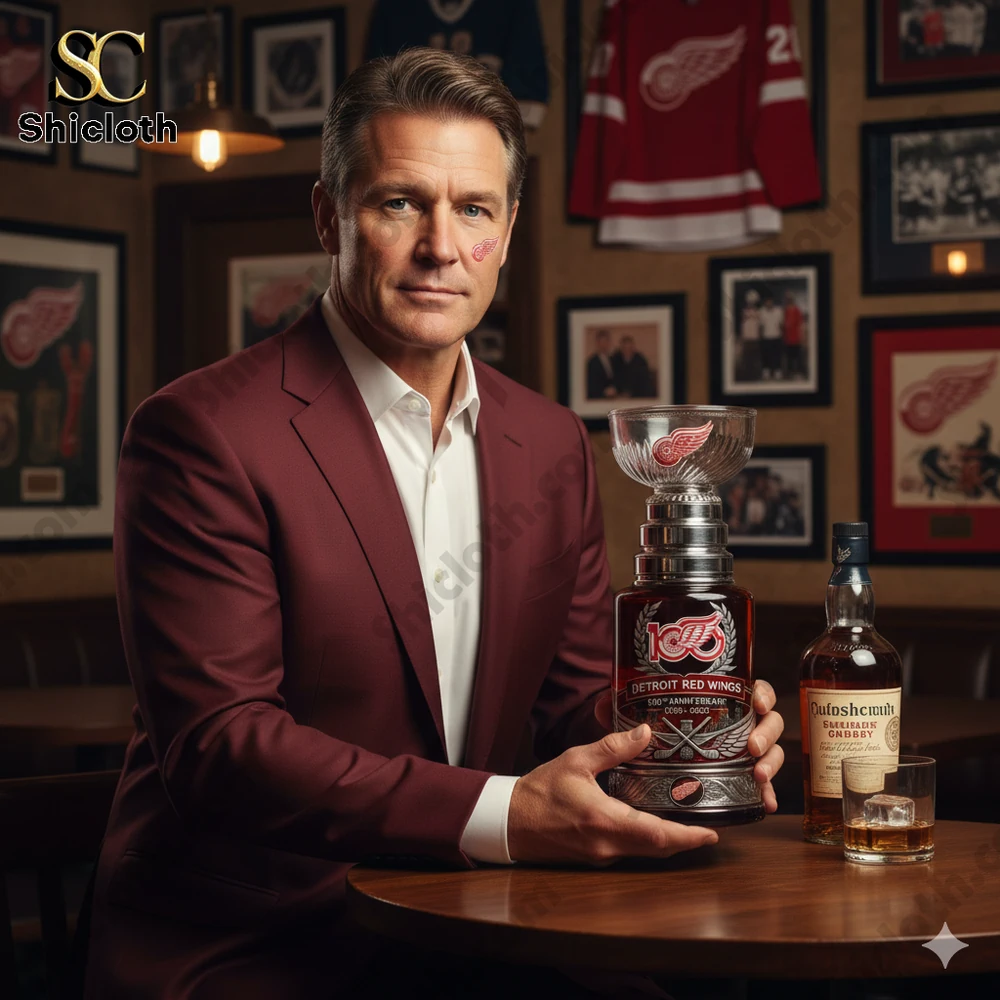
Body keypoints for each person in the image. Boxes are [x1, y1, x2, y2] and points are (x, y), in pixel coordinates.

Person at [81, 48, 786, 999]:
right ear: (330, 214)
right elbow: (223, 746)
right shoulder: (199, 433)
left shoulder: (550, 442)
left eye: (475, 210)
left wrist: (674, 732)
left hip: (483, 918)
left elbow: (573, 703)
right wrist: (508, 814)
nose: (441, 248)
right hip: (255, 931)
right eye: (400, 203)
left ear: (508, 229)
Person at [586, 328, 620, 399]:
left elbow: (617, 378)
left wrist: (615, 388)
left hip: (614, 399)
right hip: (599, 398)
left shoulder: (613, 359)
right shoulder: (592, 362)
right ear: (597, 343)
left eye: (606, 342)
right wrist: (604, 391)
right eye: (602, 342)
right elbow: (591, 384)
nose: (604, 345)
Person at [758, 294, 784, 380]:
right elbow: (761, 326)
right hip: (766, 337)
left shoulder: (779, 311)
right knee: (766, 356)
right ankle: (766, 372)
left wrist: (782, 335)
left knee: (777, 355)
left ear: (773, 302)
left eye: (770, 301)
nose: (769, 303)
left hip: (777, 336)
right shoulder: (761, 311)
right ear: (765, 303)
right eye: (767, 301)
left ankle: (777, 371)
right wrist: (761, 337)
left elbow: (781, 324)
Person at [782, 290, 805, 379]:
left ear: (793, 299)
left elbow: (801, 325)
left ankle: (798, 372)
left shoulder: (797, 310)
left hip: (796, 337)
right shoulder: (785, 311)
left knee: (797, 356)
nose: (789, 300)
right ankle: (789, 372)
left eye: (790, 298)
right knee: (788, 357)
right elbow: (782, 324)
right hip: (787, 338)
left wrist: (802, 337)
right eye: (787, 299)